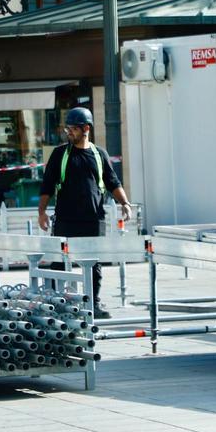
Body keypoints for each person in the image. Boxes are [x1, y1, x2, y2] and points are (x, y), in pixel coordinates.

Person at [38, 108, 132, 319]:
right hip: (65, 219)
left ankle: (93, 304)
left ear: (86, 128)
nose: (68, 132)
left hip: (93, 219)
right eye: (67, 128)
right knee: (59, 262)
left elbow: (113, 182)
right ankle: (55, 303)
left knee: (94, 265)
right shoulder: (60, 154)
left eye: (72, 129)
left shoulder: (99, 154)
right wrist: (42, 212)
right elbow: (47, 185)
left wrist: (125, 203)